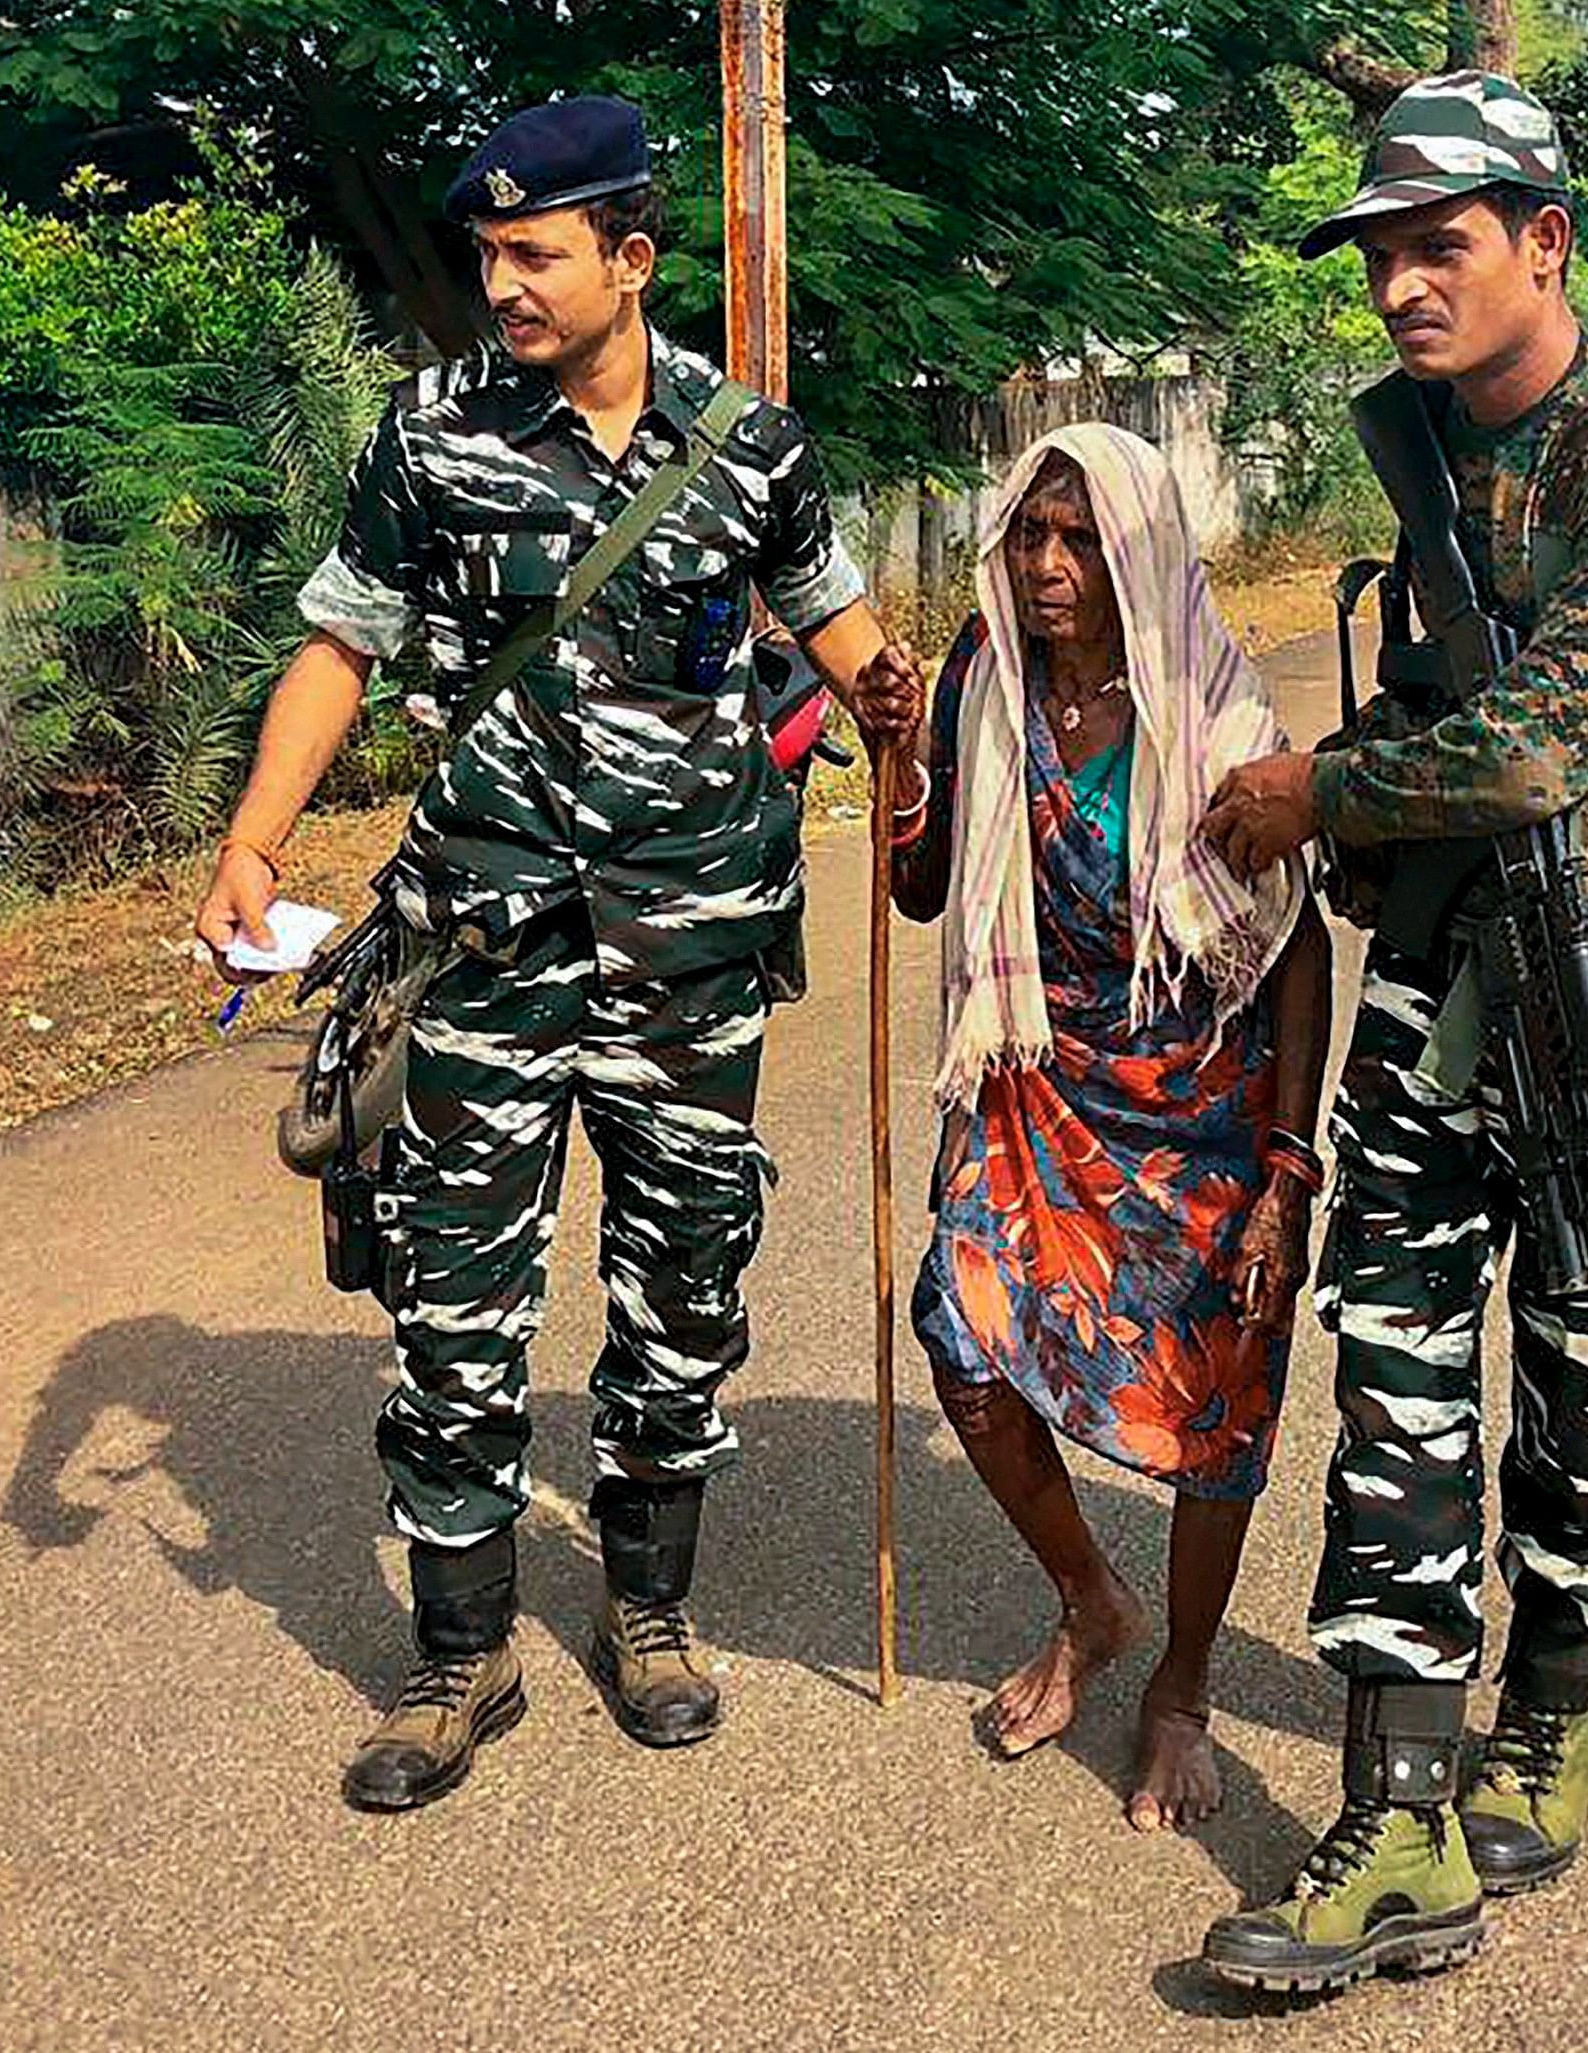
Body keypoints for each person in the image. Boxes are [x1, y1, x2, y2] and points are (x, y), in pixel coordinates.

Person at [193, 98, 925, 1814]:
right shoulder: (430, 434)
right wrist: (254, 831)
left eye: (536, 253)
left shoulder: (750, 447)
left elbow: (847, 634)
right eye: (488, 255)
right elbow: (339, 642)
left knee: (683, 1289)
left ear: (632, 258)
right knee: (454, 1300)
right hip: (486, 942)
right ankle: (462, 1654)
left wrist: (899, 718)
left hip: (694, 945)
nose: (503, 283)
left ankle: (651, 1610)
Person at [1187, 71, 1588, 1992]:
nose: (1395, 287)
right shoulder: (1423, 451)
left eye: (1436, 243)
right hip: (1444, 972)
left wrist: (1322, 787)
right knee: (1392, 1353)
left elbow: (1544, 741)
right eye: (1376, 253)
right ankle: (1398, 1815)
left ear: (1544, 239)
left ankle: (1556, 1698)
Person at [888, 426, 1334, 1834]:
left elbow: (1297, 948)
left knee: (1214, 1408)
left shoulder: (1213, 716)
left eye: (1078, 540)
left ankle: (1184, 1683)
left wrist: (1288, 1163)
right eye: (1028, 535)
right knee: (957, 1337)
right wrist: (901, 756)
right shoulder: (984, 679)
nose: (1047, 566)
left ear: (1136, 552)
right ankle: (1091, 1598)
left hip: (1204, 1103)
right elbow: (917, 889)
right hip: (1037, 1080)